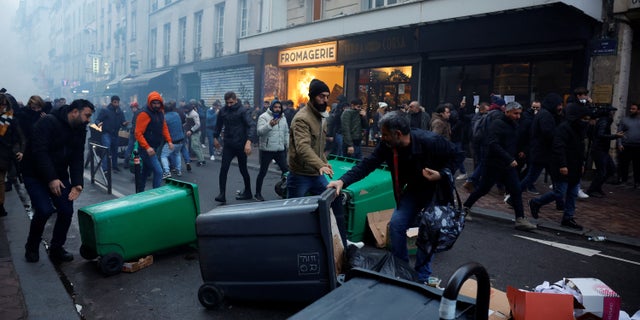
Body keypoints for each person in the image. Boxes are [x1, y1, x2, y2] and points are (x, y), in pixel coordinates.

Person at [327, 111, 461, 283]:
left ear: (397, 134)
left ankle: (422, 276)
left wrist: (441, 174)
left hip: (435, 192)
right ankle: (402, 270)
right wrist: (342, 182)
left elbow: (457, 155)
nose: (381, 137)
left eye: (384, 134)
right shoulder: (387, 146)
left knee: (428, 232)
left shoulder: (430, 141)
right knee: (397, 224)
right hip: (412, 191)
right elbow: (367, 164)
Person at [23, 99, 95, 263]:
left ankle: (56, 249)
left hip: (59, 174)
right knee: (44, 209)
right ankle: (32, 247)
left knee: (66, 210)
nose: (89, 120)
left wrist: (77, 183)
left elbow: (77, 158)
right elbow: (39, 151)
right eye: (87, 115)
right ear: (75, 112)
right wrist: (51, 178)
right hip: (34, 173)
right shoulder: (48, 122)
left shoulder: (80, 129)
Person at [288, 79, 349, 246]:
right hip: (300, 175)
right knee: (293, 214)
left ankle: (341, 243)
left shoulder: (322, 117)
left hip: (316, 174)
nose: (325, 100)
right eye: (322, 96)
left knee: (334, 198)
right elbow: (303, 148)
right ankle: (293, 246)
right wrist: (320, 164)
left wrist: (324, 161)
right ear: (313, 96)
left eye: (327, 97)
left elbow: (318, 147)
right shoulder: (302, 119)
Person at [463, 102, 537, 231]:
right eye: (515, 113)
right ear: (507, 112)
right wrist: (509, 158)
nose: (518, 116)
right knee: (483, 189)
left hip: (508, 165)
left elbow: (513, 142)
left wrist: (519, 151)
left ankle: (520, 219)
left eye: (519, 113)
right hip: (493, 163)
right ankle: (465, 208)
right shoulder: (497, 124)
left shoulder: (514, 125)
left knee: (516, 190)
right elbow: (493, 144)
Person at [529, 103, 591, 230]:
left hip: (575, 165)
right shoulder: (564, 128)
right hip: (563, 164)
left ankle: (568, 217)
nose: (586, 122)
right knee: (559, 192)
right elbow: (559, 147)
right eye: (584, 119)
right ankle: (536, 202)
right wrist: (563, 165)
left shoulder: (580, 130)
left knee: (572, 193)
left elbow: (581, 149)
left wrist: (582, 163)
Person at [518, 93, 565, 209]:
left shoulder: (547, 114)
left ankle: (560, 203)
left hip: (544, 153)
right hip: (543, 153)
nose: (561, 107)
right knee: (531, 177)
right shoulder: (545, 115)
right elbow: (548, 134)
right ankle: (513, 194)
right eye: (559, 105)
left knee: (553, 179)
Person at [213, 91, 255, 203]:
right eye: (227, 103)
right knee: (224, 168)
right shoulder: (223, 111)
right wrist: (215, 137)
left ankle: (248, 191)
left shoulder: (242, 110)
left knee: (243, 169)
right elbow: (218, 125)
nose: (229, 105)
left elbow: (251, 125)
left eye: (231, 102)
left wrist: (249, 142)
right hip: (228, 145)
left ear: (236, 100)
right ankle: (222, 194)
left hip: (241, 145)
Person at [134, 92, 173, 192]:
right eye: (154, 103)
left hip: (154, 146)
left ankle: (140, 192)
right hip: (146, 149)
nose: (156, 105)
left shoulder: (160, 113)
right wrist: (147, 147)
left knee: (145, 172)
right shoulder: (144, 114)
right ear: (150, 103)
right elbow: (138, 133)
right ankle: (155, 195)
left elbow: (164, 127)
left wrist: (169, 141)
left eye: (158, 103)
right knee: (159, 171)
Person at [255, 100, 289, 201]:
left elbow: (286, 132)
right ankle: (258, 194)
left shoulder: (283, 117)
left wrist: (287, 144)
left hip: (280, 150)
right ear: (271, 107)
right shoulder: (263, 117)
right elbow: (259, 132)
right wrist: (269, 125)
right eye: (275, 107)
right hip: (267, 150)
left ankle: (284, 190)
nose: (278, 109)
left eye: (279, 107)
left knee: (286, 171)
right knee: (263, 172)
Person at [586, 105, 623, 197]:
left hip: (602, 150)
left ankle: (597, 187)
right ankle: (591, 190)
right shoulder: (604, 121)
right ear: (609, 113)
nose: (614, 114)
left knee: (611, 169)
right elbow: (601, 135)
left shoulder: (605, 121)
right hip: (599, 150)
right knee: (601, 171)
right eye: (612, 112)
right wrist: (615, 136)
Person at [0, 93, 25, 216]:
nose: (2, 107)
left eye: (4, 104)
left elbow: (21, 137)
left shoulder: (10, 119)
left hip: (4, 154)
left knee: (0, 181)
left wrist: (21, 151)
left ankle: (0, 206)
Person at [95, 95, 128, 173]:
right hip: (106, 133)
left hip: (115, 134)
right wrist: (98, 123)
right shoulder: (105, 110)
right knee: (107, 150)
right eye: (115, 102)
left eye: (117, 102)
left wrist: (124, 124)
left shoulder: (120, 112)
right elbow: (98, 119)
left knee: (115, 151)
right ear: (112, 102)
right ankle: (105, 168)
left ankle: (115, 166)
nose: (116, 104)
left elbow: (122, 121)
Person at [617, 102, 640, 188]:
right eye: (630, 109)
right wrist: (619, 143)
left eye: (633, 109)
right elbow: (619, 132)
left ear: (638, 110)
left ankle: (637, 182)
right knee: (624, 165)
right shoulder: (624, 120)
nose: (631, 110)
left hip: (638, 146)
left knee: (637, 166)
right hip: (626, 145)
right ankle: (623, 181)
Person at [160, 102, 185, 178]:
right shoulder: (176, 115)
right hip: (181, 139)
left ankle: (167, 172)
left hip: (172, 141)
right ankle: (178, 170)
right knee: (177, 154)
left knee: (163, 156)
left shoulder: (165, 118)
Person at [184, 99, 206, 167]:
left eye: (186, 110)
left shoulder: (194, 114)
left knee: (194, 146)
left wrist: (191, 130)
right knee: (198, 146)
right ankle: (202, 160)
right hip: (193, 132)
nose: (185, 111)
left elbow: (198, 124)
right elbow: (187, 122)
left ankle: (200, 161)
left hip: (195, 133)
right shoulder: (189, 113)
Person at [123, 102, 140, 170]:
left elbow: (135, 124)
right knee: (135, 148)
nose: (132, 109)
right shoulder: (138, 113)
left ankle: (127, 163)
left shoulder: (136, 113)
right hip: (136, 132)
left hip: (134, 133)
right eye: (132, 108)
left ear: (135, 107)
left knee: (130, 148)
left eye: (133, 108)